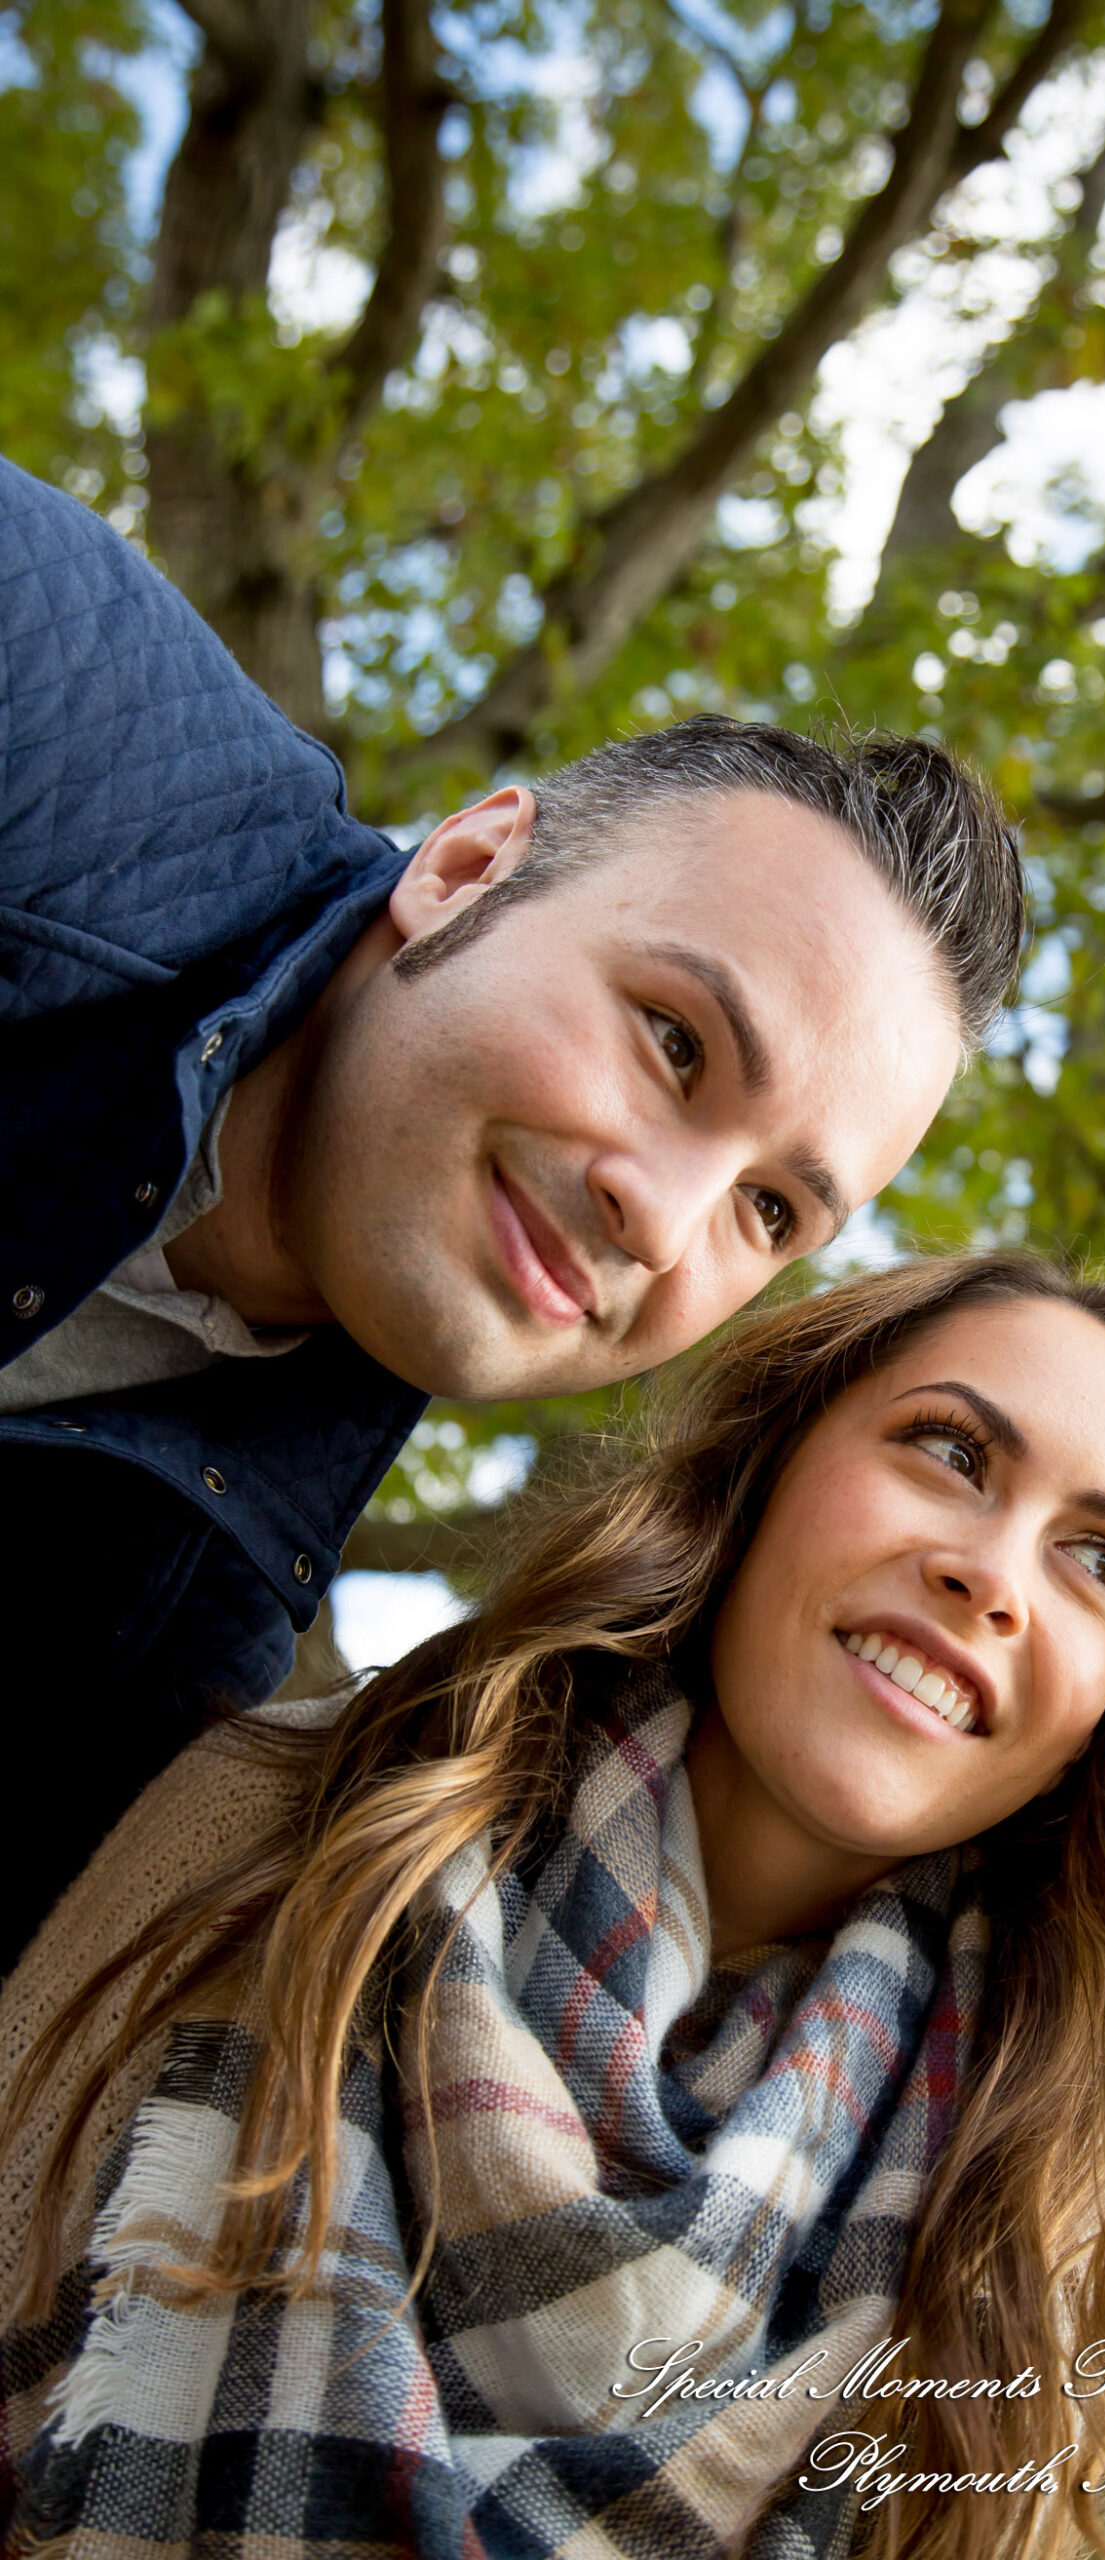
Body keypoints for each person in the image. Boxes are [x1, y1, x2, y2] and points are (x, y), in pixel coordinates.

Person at [0, 1251, 1105, 2559]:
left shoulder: (1031, 2249)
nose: (995, 1578)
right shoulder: (279, 1820)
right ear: (766, 1469)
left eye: (1098, 1560)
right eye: (950, 1453)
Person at [0, 455, 1023, 1960]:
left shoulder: (170, 1645)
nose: (661, 1223)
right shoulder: (48, 694)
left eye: (765, 1212)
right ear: (467, 868)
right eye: (675, 1044)